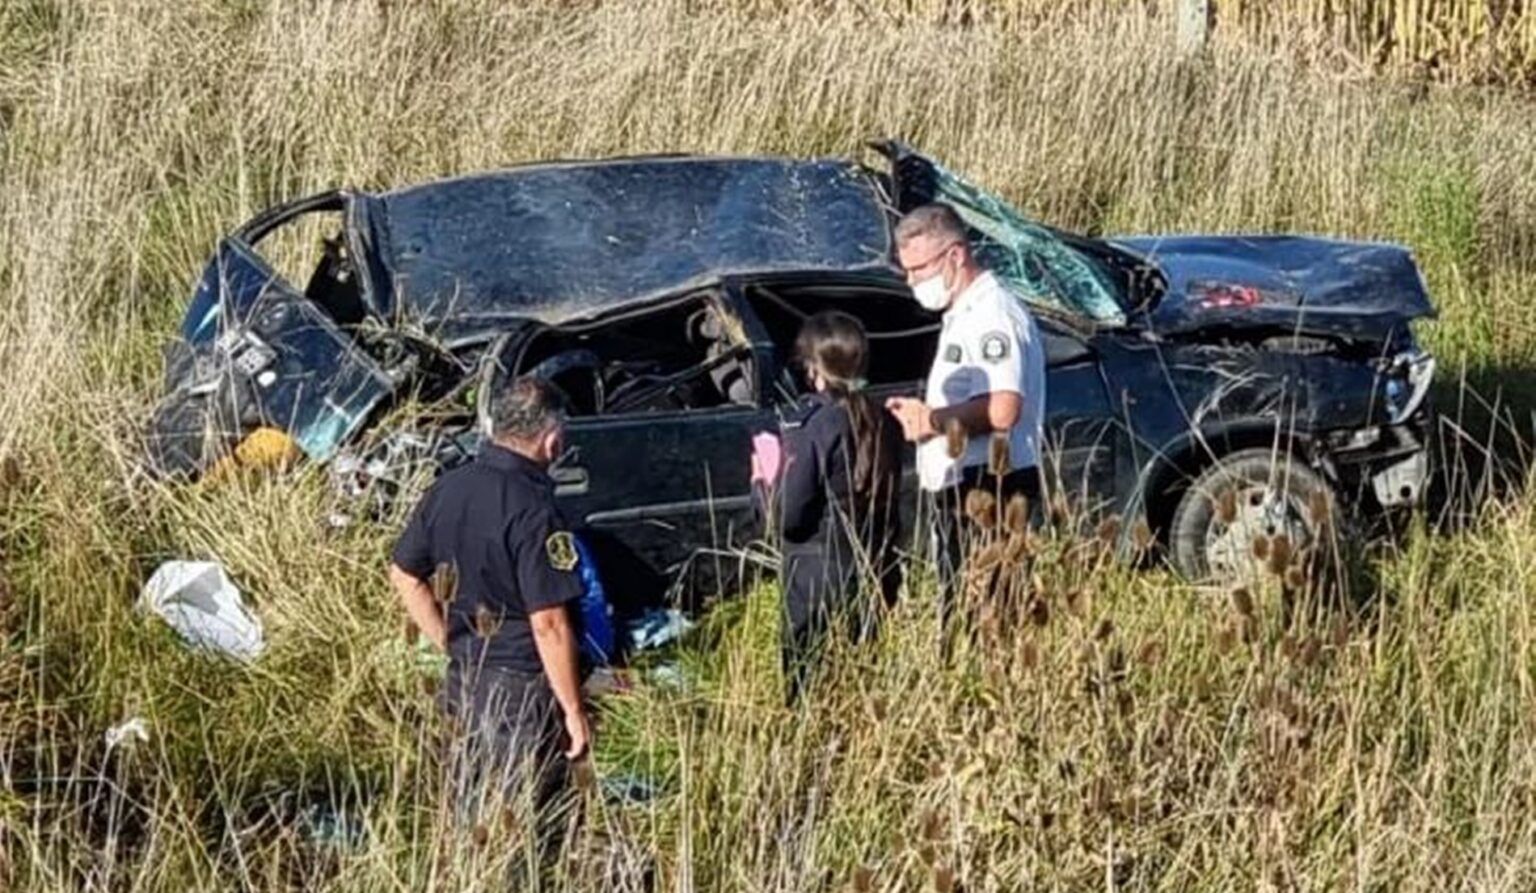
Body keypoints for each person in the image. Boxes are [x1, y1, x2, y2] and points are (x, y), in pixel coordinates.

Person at [387, 376, 590, 839]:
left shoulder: (447, 488)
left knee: (470, 814)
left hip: (463, 678)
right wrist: (573, 709)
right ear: (552, 440)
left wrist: (449, 641)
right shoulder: (535, 510)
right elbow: (549, 623)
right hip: (522, 688)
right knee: (527, 822)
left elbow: (403, 575)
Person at [884, 203, 1047, 626]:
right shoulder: (963, 313)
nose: (912, 281)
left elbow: (1003, 408)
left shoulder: (992, 316)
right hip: (965, 483)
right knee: (960, 611)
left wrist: (931, 421)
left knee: (988, 618)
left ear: (955, 255)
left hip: (992, 484)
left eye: (919, 269)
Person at [770, 311, 903, 704]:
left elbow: (787, 517)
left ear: (813, 370)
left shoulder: (812, 425)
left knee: (808, 692)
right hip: (877, 568)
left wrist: (763, 480)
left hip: (816, 578)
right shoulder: (883, 419)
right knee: (864, 686)